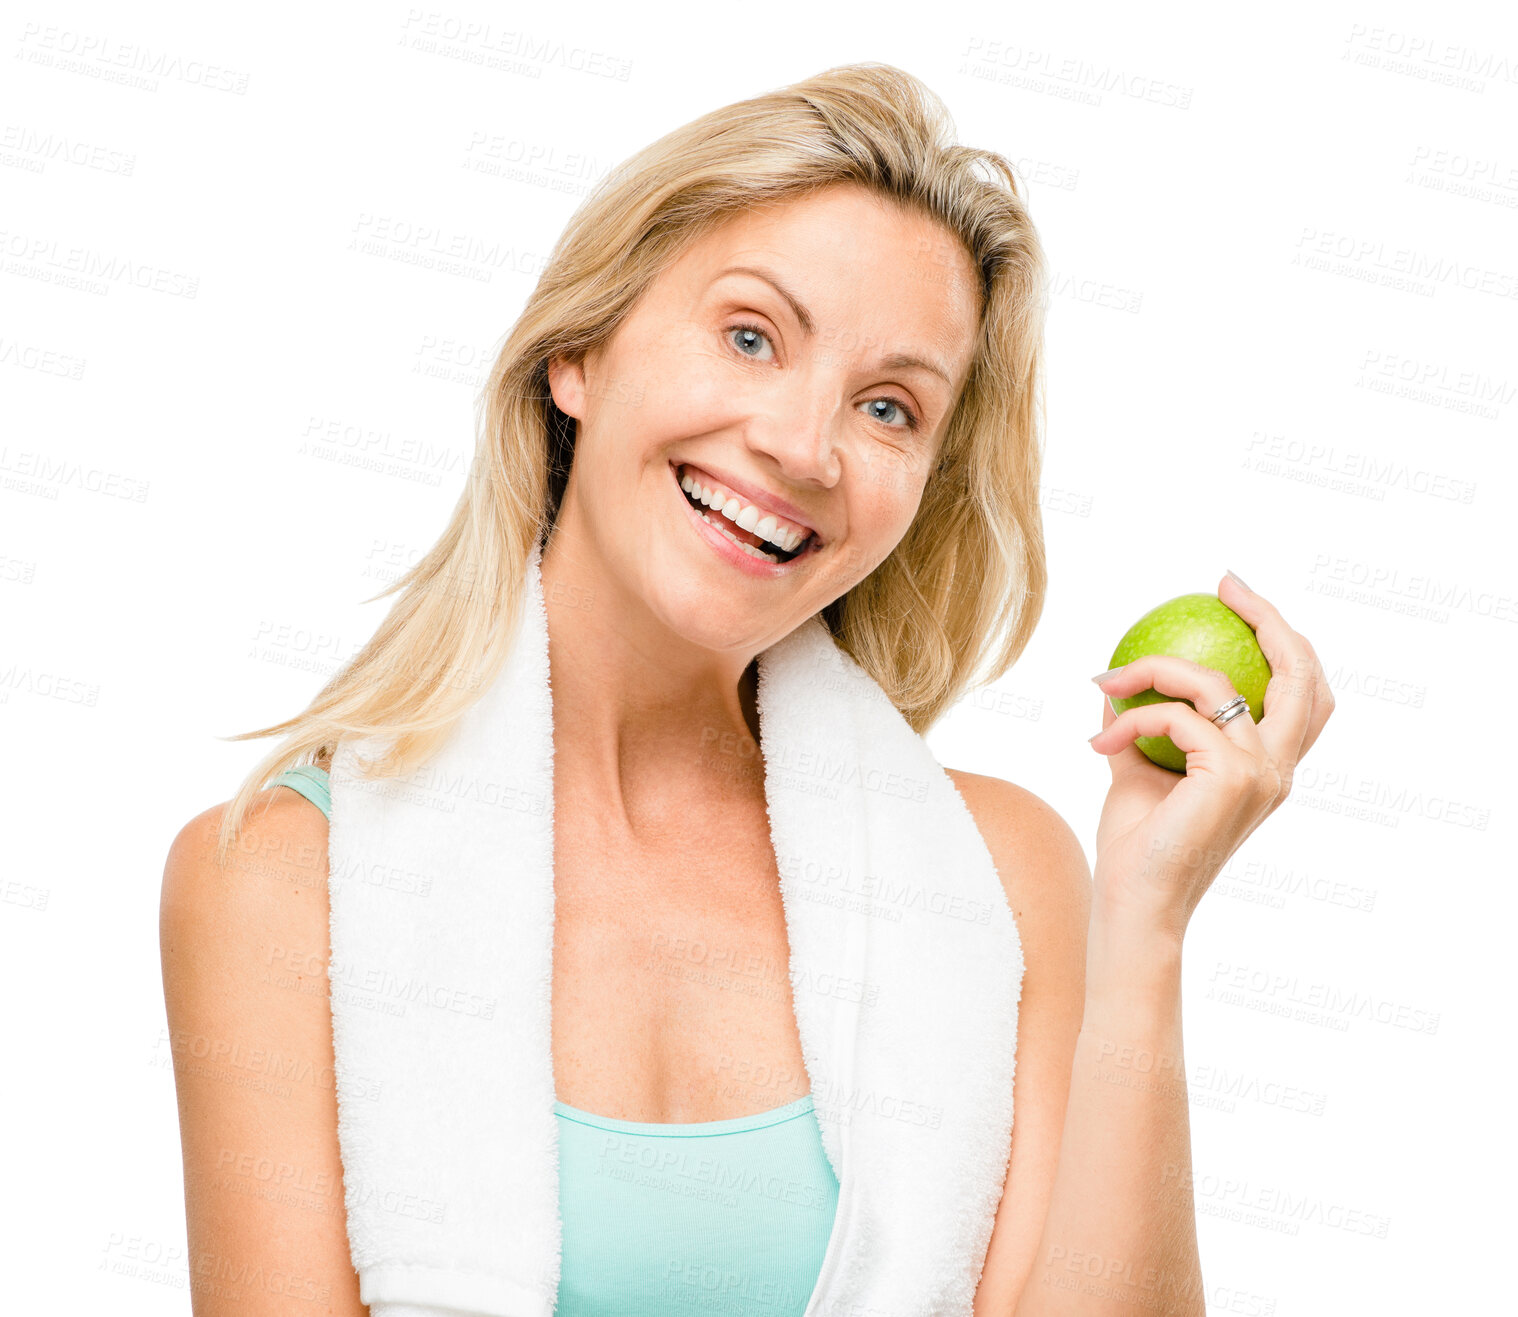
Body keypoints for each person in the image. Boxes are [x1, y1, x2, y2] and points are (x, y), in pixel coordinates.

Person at [159, 62, 1334, 1316]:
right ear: (580, 353)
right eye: (751, 336)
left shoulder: (1007, 878)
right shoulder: (282, 882)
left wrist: (1145, 928)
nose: (804, 447)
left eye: (890, 407)